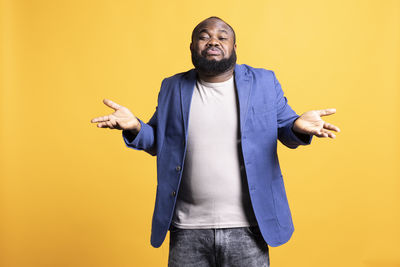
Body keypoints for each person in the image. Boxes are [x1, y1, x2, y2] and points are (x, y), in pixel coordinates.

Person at [91, 16, 340, 267]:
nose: (213, 41)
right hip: (187, 228)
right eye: (204, 36)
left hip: (249, 227)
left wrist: (297, 126)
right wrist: (135, 127)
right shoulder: (172, 86)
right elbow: (159, 141)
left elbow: (287, 130)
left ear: (234, 48)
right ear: (192, 46)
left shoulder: (264, 82)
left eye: (222, 37)